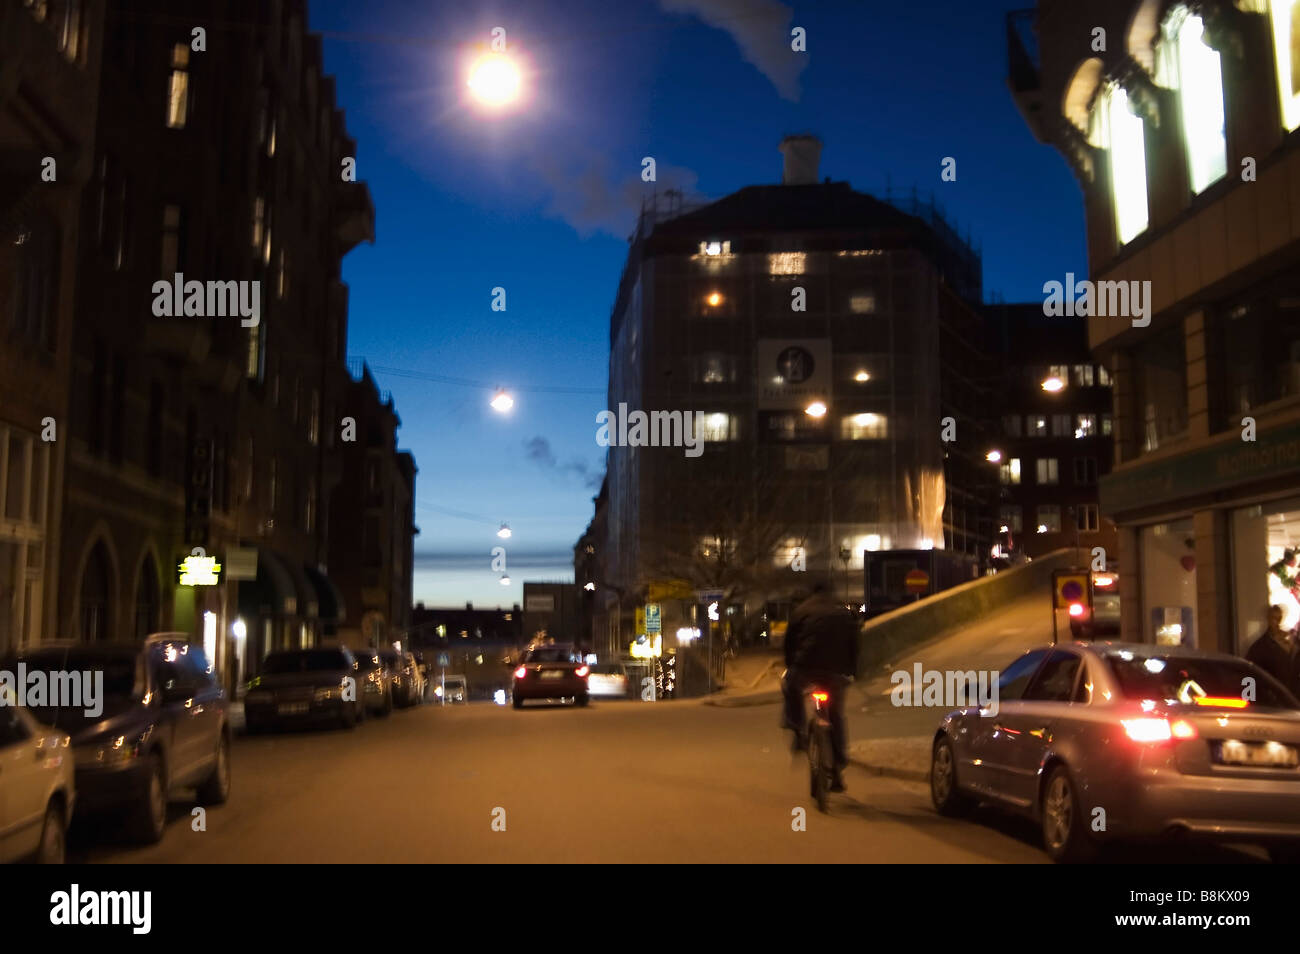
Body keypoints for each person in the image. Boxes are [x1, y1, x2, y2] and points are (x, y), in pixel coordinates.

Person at [780, 581, 859, 791]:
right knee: (836, 715)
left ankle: (797, 729)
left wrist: (791, 666)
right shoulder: (842, 613)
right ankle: (839, 766)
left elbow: (789, 644)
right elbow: (855, 644)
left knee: (790, 687)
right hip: (836, 671)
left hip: (806, 668)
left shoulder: (801, 611)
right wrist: (852, 670)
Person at [1246, 605, 1297, 693]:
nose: (1277, 622)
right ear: (1268, 619)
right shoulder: (1260, 647)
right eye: (1274, 618)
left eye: (1279, 618)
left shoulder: (1291, 641)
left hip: (1292, 697)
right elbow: (1249, 674)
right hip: (1275, 697)